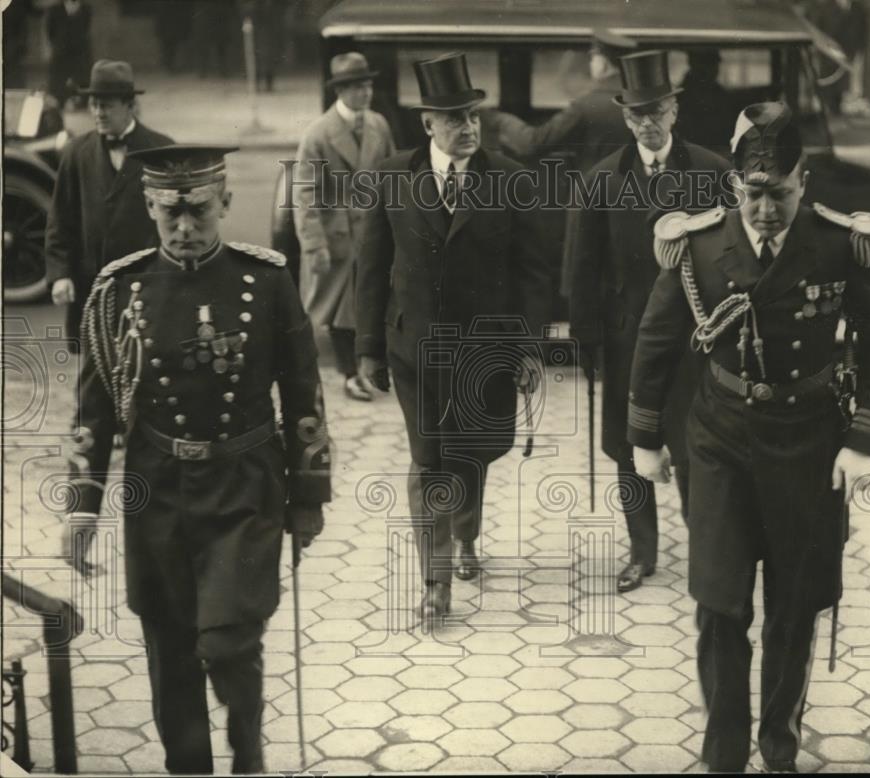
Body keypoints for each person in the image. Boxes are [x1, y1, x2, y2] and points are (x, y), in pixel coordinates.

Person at [627, 103, 870, 772]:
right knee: (720, 605)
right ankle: (723, 755)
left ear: (803, 183)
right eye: (753, 193)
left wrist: (861, 440)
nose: (766, 209)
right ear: (733, 188)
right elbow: (656, 342)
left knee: (794, 606)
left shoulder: (839, 243)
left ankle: (778, 747)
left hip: (809, 446)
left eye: (779, 193)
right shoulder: (697, 245)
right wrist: (644, 440)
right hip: (720, 441)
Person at [63, 144, 331, 774]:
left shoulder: (265, 281)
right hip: (156, 491)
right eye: (170, 217)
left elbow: (304, 393)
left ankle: (248, 753)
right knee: (171, 645)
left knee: (229, 639)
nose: (185, 230)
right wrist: (81, 511)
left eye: (201, 215)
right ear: (150, 207)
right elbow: (93, 414)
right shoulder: (117, 291)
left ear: (226, 205)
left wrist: (310, 497)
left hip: (245, 485)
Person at [355, 53, 549, 619]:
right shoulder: (393, 176)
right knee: (429, 459)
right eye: (454, 118)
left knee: (473, 454)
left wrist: (529, 349)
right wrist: (367, 348)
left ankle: (467, 535)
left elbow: (534, 275)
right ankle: (435, 579)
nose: (467, 128)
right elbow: (370, 269)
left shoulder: (511, 179)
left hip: (486, 351)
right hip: (414, 348)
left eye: (473, 117)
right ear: (427, 124)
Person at [572, 49, 731, 593]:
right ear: (625, 119)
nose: (648, 123)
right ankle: (642, 552)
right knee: (626, 444)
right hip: (625, 339)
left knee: (694, 440)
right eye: (637, 114)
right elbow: (581, 268)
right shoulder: (601, 180)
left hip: (694, 336)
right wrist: (585, 340)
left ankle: (705, 542)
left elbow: (735, 255)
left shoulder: (711, 172)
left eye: (657, 111)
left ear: (674, 111)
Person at [487, 30, 638, 297]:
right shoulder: (640, 104)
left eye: (593, 59)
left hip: (591, 203)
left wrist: (499, 120)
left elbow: (533, 143)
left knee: (585, 279)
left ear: (603, 63)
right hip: (636, 201)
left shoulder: (586, 106)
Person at [44, 60, 173, 350]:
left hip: (145, 288)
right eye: (93, 104)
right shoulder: (77, 153)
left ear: (129, 105)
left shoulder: (161, 149)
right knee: (94, 380)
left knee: (145, 369)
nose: (98, 113)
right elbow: (60, 220)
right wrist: (60, 274)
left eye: (107, 105)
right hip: (92, 290)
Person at [293, 52, 395, 401]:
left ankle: (370, 367)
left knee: (370, 300)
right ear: (340, 91)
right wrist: (314, 244)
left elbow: (392, 177)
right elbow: (305, 193)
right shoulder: (318, 134)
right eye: (356, 87)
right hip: (337, 236)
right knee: (340, 310)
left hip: (372, 232)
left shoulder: (379, 125)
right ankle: (350, 374)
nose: (365, 93)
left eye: (367, 85)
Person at [675, 49, 739, 156]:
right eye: (706, 64)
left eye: (714, 64)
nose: (714, 69)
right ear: (693, 64)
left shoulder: (720, 94)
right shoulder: (681, 97)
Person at [45, 0, 92, 106]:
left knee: (82, 78)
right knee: (57, 82)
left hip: (79, 53)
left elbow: (85, 29)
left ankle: (78, 101)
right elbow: (50, 32)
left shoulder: (86, 9)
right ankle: (59, 100)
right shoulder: (55, 10)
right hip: (60, 52)